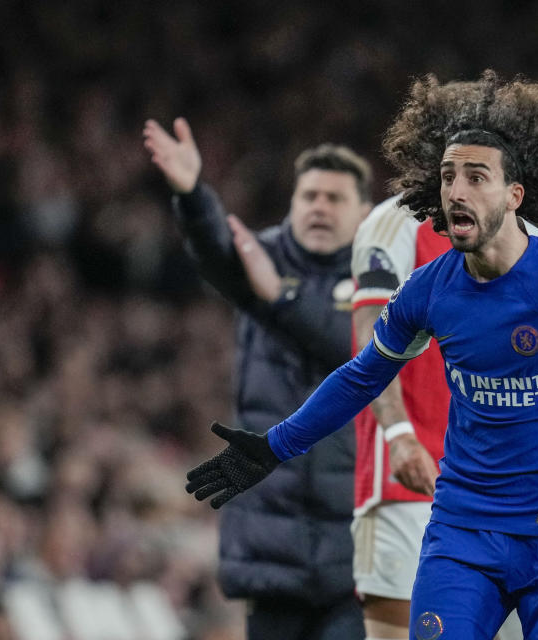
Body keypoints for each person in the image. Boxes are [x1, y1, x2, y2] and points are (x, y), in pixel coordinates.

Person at [185, 71, 538, 640]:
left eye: (476, 177)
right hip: (463, 532)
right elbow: (361, 378)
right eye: (449, 176)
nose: (456, 191)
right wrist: (275, 446)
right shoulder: (428, 290)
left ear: (513, 195)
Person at [143, 117, 372, 640]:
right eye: (308, 195)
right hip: (271, 535)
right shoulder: (259, 256)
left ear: (364, 213)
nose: (318, 206)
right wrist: (192, 194)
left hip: (355, 541)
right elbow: (216, 254)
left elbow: (360, 353)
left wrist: (282, 299)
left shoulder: (381, 279)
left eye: (334, 198)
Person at [349, 194, 525, 640]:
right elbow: (370, 333)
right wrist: (400, 433)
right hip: (406, 484)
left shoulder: (519, 233)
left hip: (494, 492)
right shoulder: (394, 223)